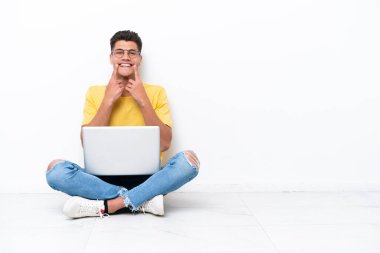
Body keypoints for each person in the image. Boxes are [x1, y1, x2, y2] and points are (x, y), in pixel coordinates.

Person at [46, 30, 200, 218]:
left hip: (148, 178)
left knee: (189, 162)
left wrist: (143, 99)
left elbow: (165, 143)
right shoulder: (95, 93)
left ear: (139, 59)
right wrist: (108, 100)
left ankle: (110, 205)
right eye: (119, 52)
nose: (125, 57)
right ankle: (141, 200)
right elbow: (88, 143)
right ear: (111, 57)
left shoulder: (156, 92)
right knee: (55, 171)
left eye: (131, 53)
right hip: (100, 180)